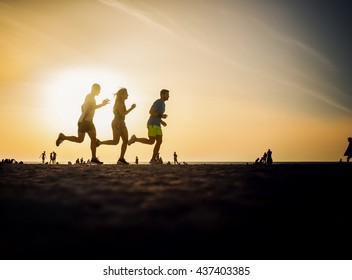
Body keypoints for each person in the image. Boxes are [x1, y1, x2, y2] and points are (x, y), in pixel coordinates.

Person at [55, 83, 109, 164]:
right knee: (93, 139)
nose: (100, 92)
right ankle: (93, 158)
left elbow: (82, 106)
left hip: (84, 121)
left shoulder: (90, 97)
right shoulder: (90, 97)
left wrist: (85, 116)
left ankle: (63, 137)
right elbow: (91, 107)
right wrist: (102, 104)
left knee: (80, 140)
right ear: (94, 89)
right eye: (99, 90)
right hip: (86, 122)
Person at [128, 89, 169, 164]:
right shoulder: (158, 102)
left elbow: (156, 114)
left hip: (157, 125)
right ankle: (135, 139)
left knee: (159, 141)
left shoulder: (163, 104)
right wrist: (162, 116)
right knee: (151, 141)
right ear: (162, 95)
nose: (168, 96)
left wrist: (161, 121)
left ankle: (153, 159)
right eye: (167, 94)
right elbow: (151, 112)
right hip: (152, 124)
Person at [97, 88, 136, 165]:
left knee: (125, 141)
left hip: (121, 122)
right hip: (117, 123)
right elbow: (122, 114)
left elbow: (123, 114)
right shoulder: (119, 103)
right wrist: (131, 108)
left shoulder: (121, 102)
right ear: (122, 95)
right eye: (126, 93)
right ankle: (99, 142)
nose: (127, 95)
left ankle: (121, 158)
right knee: (115, 141)